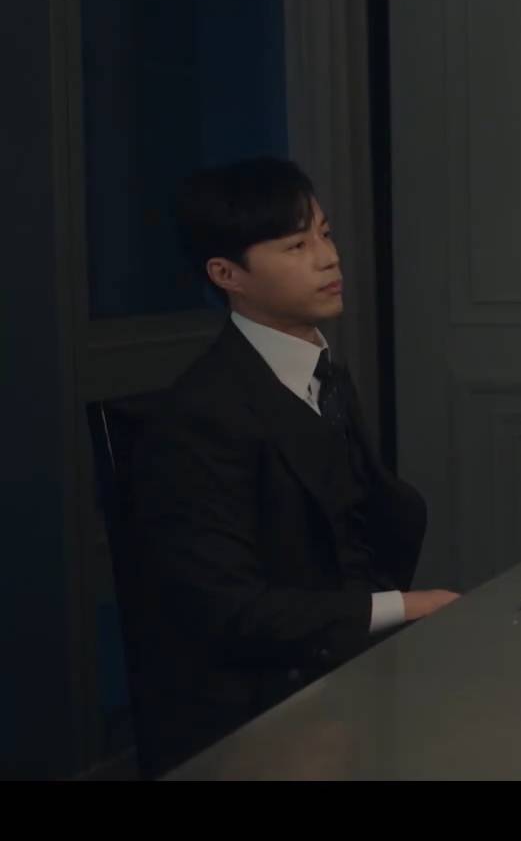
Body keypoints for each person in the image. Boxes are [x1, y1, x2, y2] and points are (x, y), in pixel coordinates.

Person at [118, 157, 457, 776]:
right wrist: (405, 607)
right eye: (296, 245)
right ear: (227, 274)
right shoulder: (201, 414)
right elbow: (231, 611)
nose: (329, 258)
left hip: (349, 664)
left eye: (324, 234)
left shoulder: (323, 372)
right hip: (258, 704)